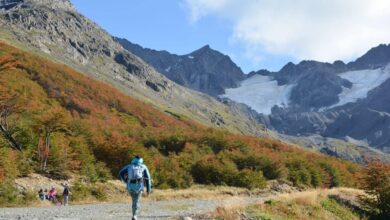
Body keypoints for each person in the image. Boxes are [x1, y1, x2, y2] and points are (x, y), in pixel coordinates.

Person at [119, 155, 151, 220]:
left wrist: (126, 181)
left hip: (130, 186)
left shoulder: (129, 166)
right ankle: (134, 215)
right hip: (139, 186)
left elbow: (121, 173)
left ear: (134, 159)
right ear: (141, 160)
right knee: (136, 201)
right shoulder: (143, 166)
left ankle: (134, 215)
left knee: (134, 200)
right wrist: (148, 190)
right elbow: (148, 179)